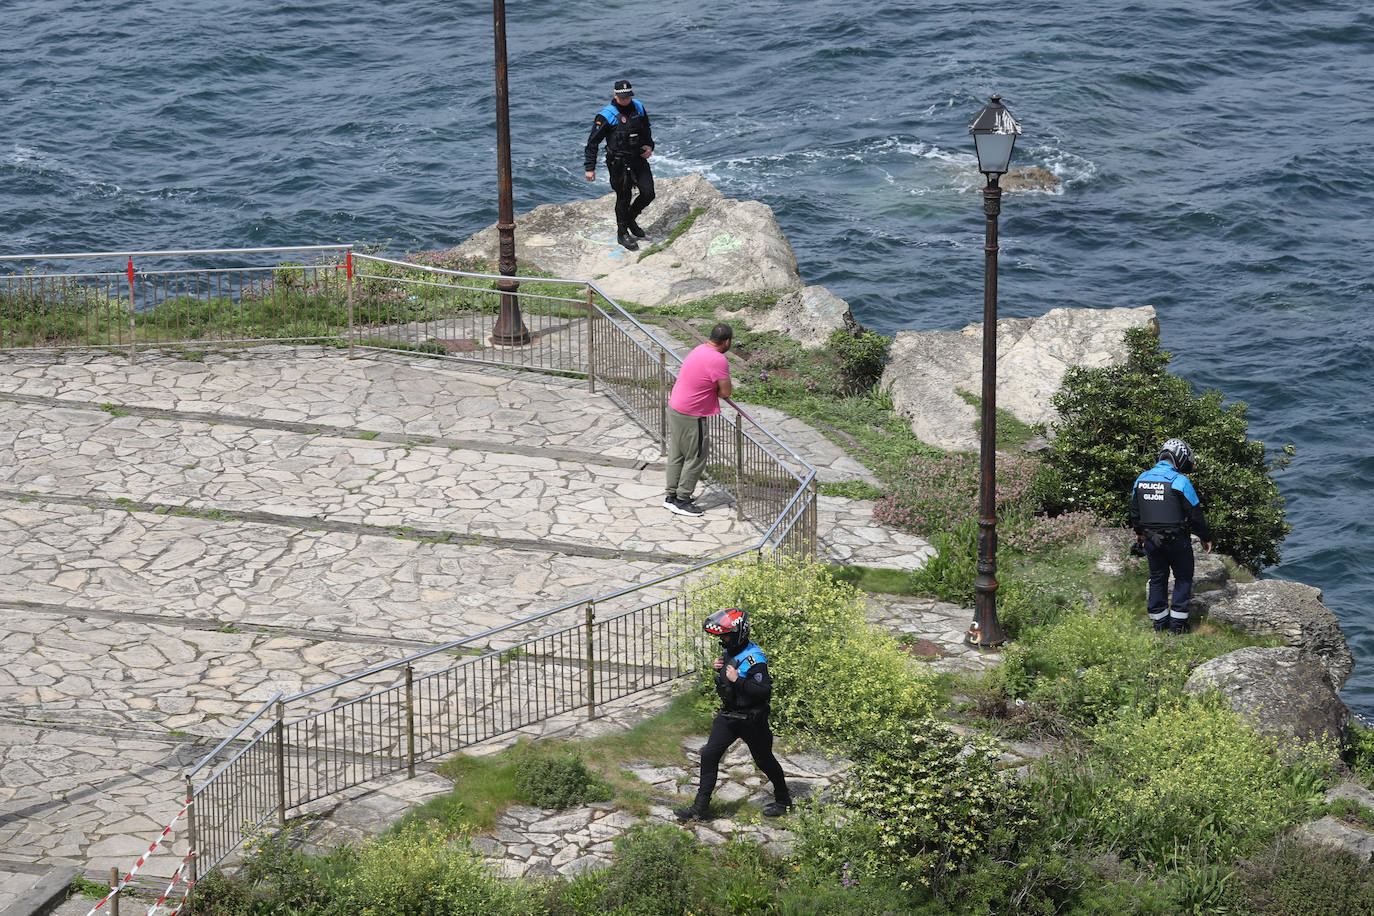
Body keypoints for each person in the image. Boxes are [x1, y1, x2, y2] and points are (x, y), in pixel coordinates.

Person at [675, 607, 792, 822]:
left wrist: (737, 679)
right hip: (729, 717)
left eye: (725, 636)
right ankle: (700, 809)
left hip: (752, 721)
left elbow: (764, 690)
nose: (722, 640)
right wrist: (719, 669)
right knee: (709, 754)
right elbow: (728, 682)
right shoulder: (731, 651)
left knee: (764, 760)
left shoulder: (755, 659)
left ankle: (783, 801)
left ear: (739, 634)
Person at [1130, 437, 1213, 634]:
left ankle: (1159, 624)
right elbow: (1195, 514)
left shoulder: (1141, 479)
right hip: (1177, 540)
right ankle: (1178, 626)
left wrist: (1140, 534)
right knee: (1183, 578)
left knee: (1158, 577)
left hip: (1151, 540)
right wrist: (1205, 537)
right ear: (1179, 458)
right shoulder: (1180, 481)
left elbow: (1135, 511)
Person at [664, 323, 732, 517]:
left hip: (676, 407)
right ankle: (682, 500)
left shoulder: (699, 349)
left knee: (677, 454)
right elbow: (725, 391)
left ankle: (671, 496)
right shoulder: (719, 360)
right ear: (727, 341)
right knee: (696, 457)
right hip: (692, 414)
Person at [583, 79, 656, 251]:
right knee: (623, 197)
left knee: (648, 193)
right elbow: (593, 142)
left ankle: (630, 219)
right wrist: (589, 168)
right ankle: (622, 233)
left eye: (628, 97)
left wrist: (650, 145)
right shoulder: (606, 115)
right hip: (618, 162)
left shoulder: (638, 106)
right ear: (615, 95)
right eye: (622, 97)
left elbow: (646, 128)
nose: (625, 100)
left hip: (637, 158)